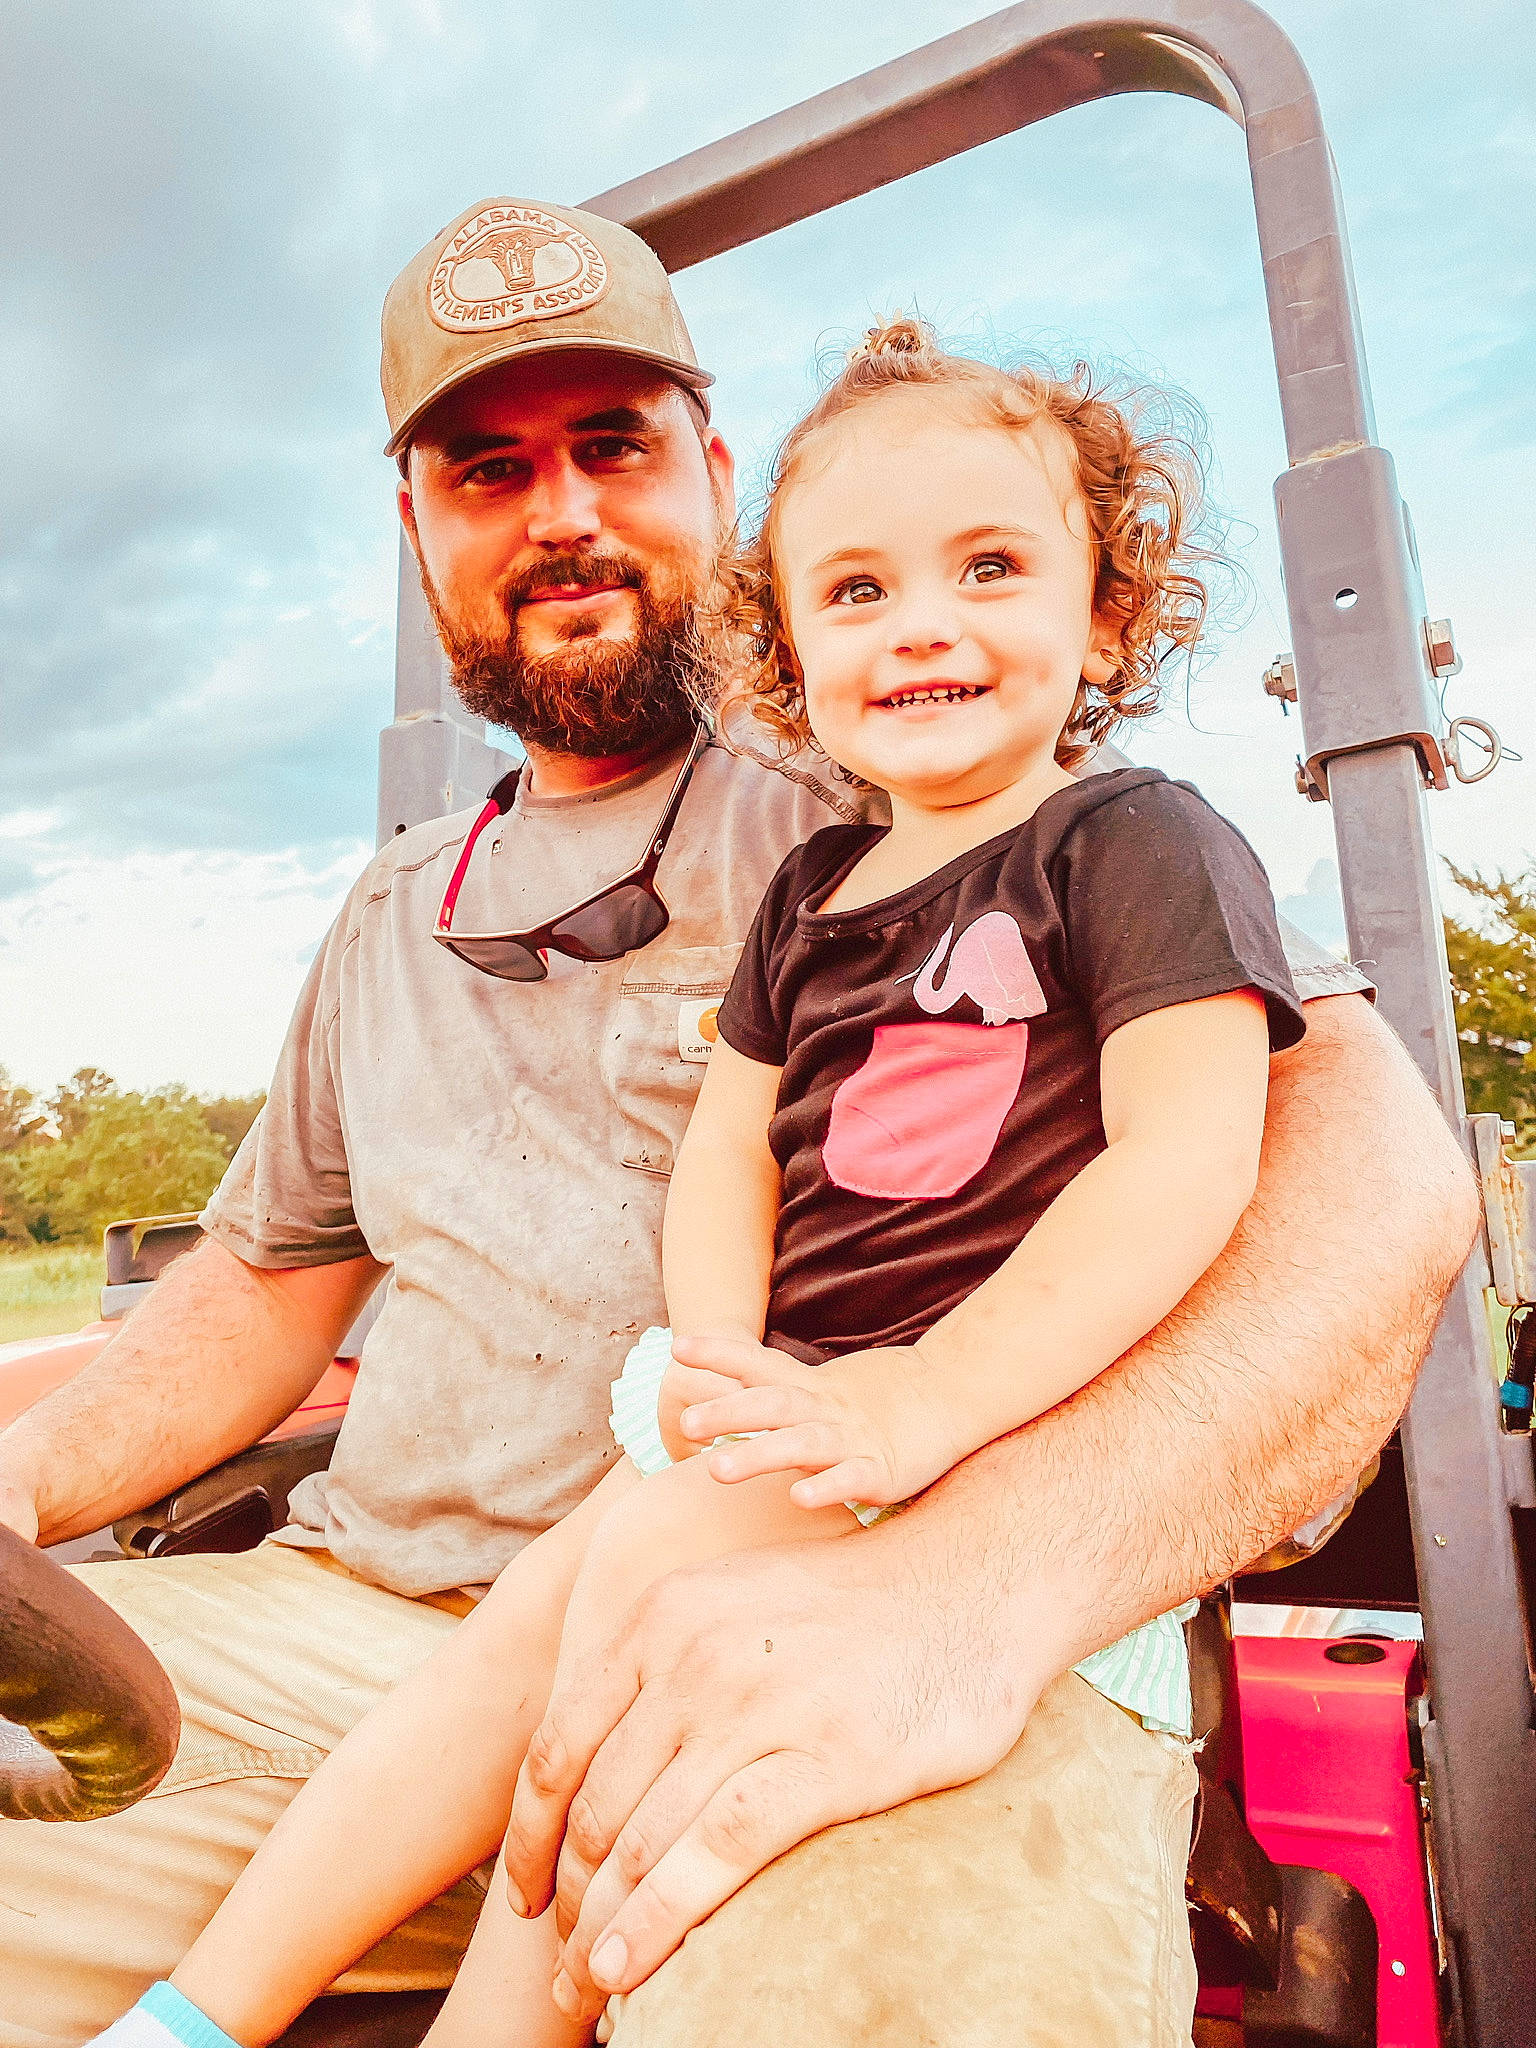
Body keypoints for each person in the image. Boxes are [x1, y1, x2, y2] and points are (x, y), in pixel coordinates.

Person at [0, 196, 1475, 2048]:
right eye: (486, 467)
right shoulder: (388, 913)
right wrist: (29, 1485)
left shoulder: (939, 803)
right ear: (415, 527)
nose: (560, 512)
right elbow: (256, 1296)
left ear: (713, 475)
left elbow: (1370, 1172)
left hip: (880, 1592)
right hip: (375, 1641)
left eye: (612, 444)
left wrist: (975, 1583)